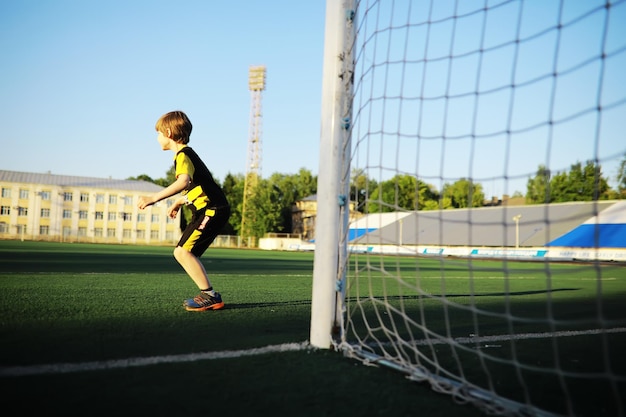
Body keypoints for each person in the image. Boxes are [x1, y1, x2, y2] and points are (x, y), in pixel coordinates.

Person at [138, 110, 231, 312]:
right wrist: (180, 202)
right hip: (207, 209)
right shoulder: (187, 155)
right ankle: (208, 295)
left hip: (213, 210)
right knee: (183, 253)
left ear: (169, 132)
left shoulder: (183, 155)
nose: (157, 137)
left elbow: (184, 181)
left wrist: (154, 198)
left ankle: (210, 296)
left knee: (182, 252)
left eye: (158, 133)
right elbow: (198, 186)